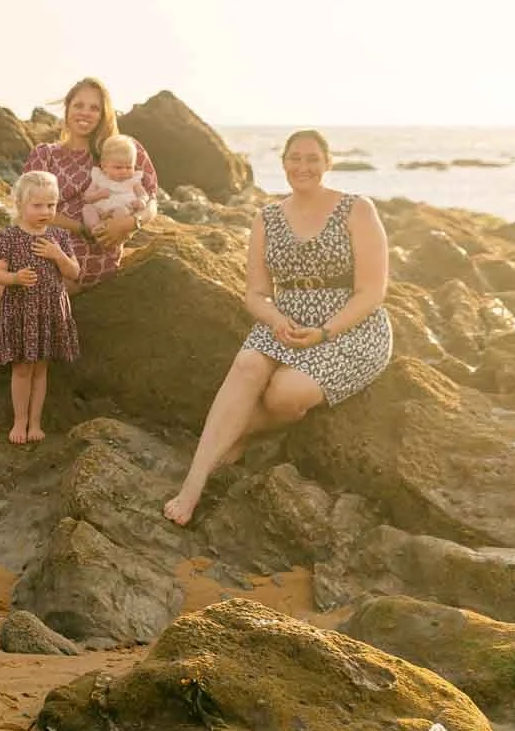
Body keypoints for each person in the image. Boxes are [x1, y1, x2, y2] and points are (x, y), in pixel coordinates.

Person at [165, 130, 392, 524]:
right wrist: (274, 319)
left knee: (284, 395)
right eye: (295, 158)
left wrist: (324, 332)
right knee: (248, 366)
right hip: (286, 317)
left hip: (351, 326)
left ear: (328, 162)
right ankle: (193, 484)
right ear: (284, 162)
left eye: (312, 159)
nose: (303, 167)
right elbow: (255, 293)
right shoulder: (267, 217)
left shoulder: (357, 209)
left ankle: (239, 435)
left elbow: (372, 291)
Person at [0, 77, 155, 406]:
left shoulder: (117, 148)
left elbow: (150, 198)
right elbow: (29, 209)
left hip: (87, 255)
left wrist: (131, 221)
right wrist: (79, 225)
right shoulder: (46, 154)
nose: (85, 113)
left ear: (104, 113)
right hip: (43, 240)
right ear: (67, 109)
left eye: (94, 107)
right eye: (79, 105)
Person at [0, 171, 81, 444]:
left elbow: (74, 272)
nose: (46, 211)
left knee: (41, 369)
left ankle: (35, 423)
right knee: (22, 368)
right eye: (38, 205)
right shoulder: (9, 236)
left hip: (49, 310)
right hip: (22, 310)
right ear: (20, 205)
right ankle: (19, 421)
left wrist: (58, 255)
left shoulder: (59, 237)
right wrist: (15, 279)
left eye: (51, 205)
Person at [80, 135, 150, 233]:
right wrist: (97, 195)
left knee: (121, 212)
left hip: (122, 210)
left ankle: (112, 229)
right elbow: (86, 197)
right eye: (118, 167)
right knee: (87, 209)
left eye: (129, 167)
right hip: (100, 210)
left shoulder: (133, 181)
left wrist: (141, 200)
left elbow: (144, 194)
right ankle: (95, 227)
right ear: (104, 166)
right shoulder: (99, 178)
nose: (124, 171)